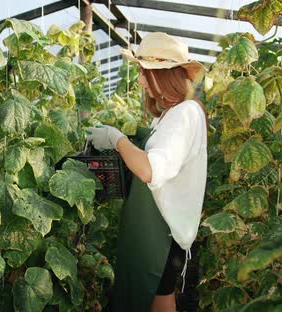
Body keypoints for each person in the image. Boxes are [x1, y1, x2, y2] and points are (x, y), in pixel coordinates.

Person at [86, 32, 208, 312]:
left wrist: (117, 138)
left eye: (145, 72)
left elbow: (150, 170)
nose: (140, 80)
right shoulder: (168, 115)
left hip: (163, 234)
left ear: (166, 76)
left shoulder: (185, 113)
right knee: (155, 299)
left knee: (159, 298)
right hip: (157, 228)